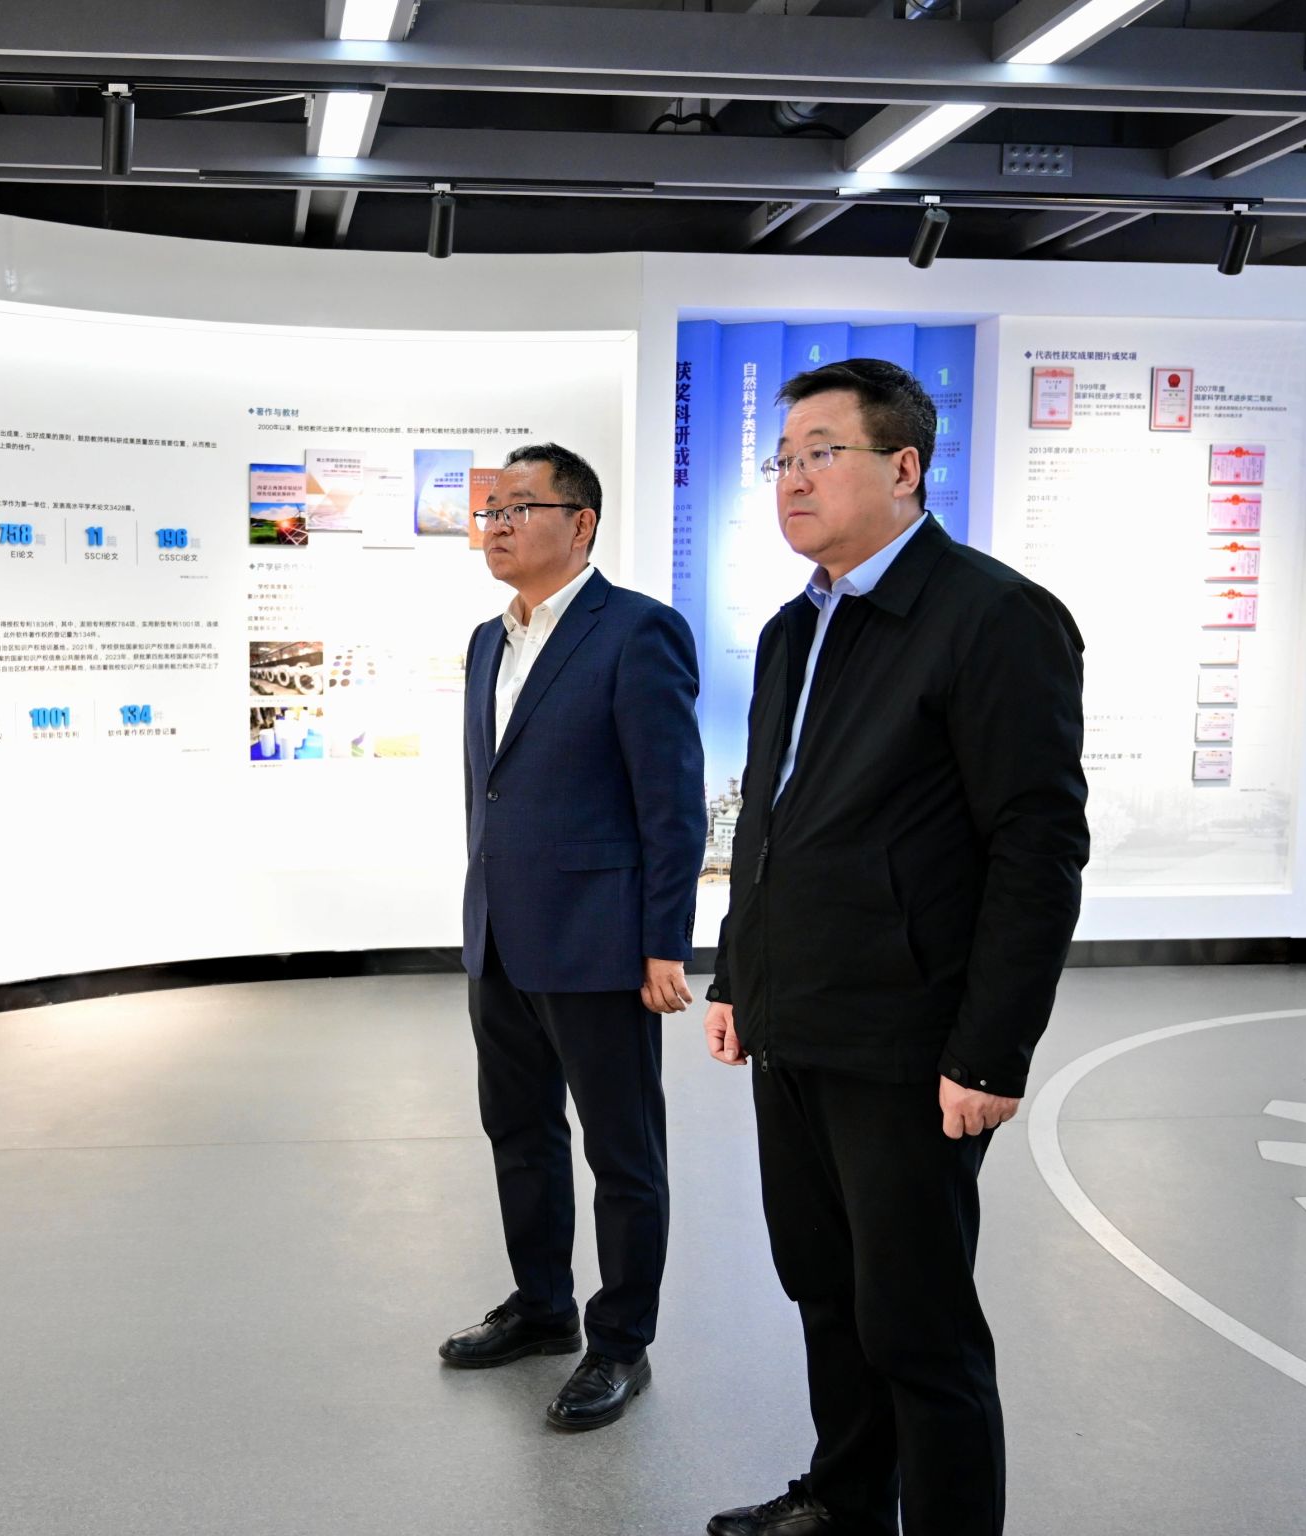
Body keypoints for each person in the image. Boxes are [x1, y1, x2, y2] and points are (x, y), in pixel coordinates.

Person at [701, 360, 1088, 1536]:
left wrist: (990, 1050)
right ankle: (846, 1498)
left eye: (820, 453)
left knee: (916, 1325)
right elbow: (766, 819)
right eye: (781, 459)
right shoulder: (794, 628)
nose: (792, 479)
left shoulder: (989, 617)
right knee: (822, 1290)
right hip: (796, 1021)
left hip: (909, 1039)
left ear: (903, 467)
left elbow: (1034, 845)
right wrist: (737, 976)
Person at [440, 443, 707, 1431]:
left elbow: (671, 803)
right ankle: (543, 1307)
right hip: (500, 938)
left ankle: (621, 1341)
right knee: (518, 1132)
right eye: (491, 510)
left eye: (520, 506)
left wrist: (664, 942)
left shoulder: (636, 631)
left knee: (622, 1154)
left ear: (580, 522)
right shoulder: (487, 640)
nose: (497, 524)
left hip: (600, 942)